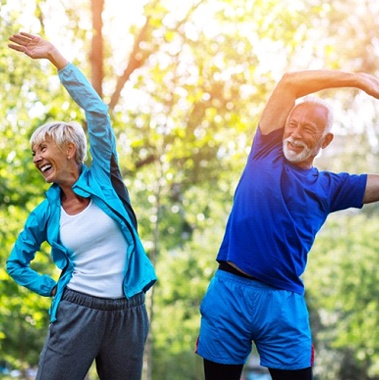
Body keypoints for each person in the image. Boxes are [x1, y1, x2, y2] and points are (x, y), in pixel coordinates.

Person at [196, 68, 379, 380]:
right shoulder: (264, 151)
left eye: (308, 129)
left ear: (326, 140)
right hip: (230, 294)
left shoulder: (330, 187)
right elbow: (290, 82)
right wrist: (356, 80)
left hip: (283, 304)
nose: (295, 133)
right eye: (291, 124)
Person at [6, 32, 156, 380]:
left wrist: (56, 57)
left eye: (42, 149)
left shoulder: (104, 177)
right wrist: (52, 288)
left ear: (69, 149)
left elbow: (97, 111)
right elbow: (16, 263)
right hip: (77, 311)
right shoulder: (47, 212)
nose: (36, 158)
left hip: (128, 312)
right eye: (33, 153)